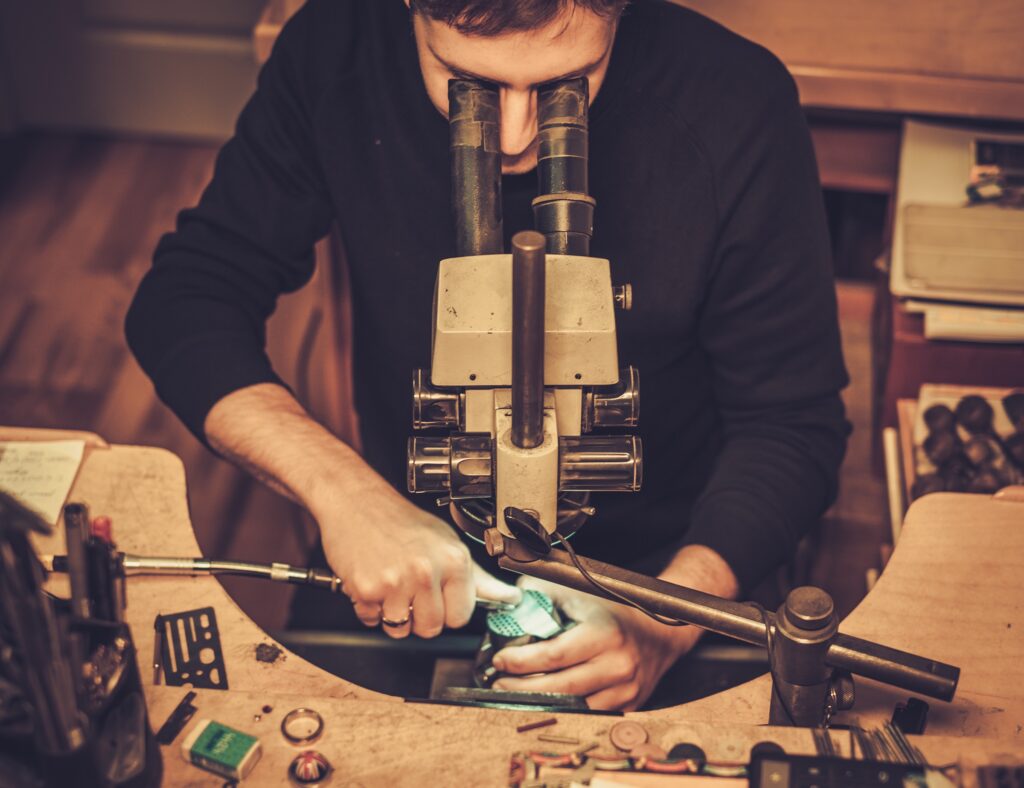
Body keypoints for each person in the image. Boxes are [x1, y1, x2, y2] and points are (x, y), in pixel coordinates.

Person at [126, 0, 849, 711]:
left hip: (663, 573)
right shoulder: (334, 48)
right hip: (405, 554)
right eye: (466, 84)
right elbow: (187, 299)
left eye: (567, 84)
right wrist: (343, 492)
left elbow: (792, 423)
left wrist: (671, 617)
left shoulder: (734, 99)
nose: (511, 137)